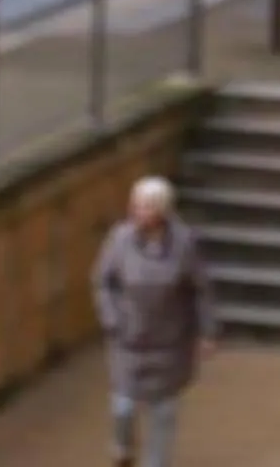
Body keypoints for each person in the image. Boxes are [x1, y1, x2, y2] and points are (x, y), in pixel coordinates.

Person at [92, 175, 216, 467]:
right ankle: (122, 446)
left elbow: (201, 289)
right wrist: (111, 318)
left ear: (162, 211)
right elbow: (103, 281)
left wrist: (207, 332)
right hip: (128, 338)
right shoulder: (119, 239)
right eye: (135, 205)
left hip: (169, 342)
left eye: (145, 207)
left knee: (163, 413)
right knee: (122, 407)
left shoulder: (184, 244)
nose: (137, 213)